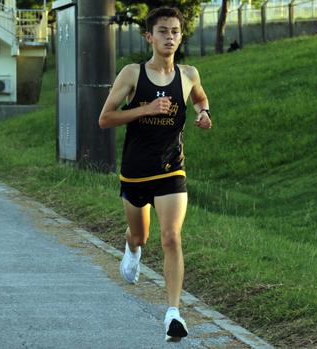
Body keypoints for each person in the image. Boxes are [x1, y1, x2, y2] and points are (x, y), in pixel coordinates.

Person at [98, 7, 212, 343]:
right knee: (141, 238)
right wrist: (146, 109)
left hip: (171, 170)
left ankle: (173, 314)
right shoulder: (132, 74)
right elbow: (105, 118)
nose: (170, 37)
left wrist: (203, 113)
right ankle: (132, 249)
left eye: (175, 31)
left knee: (172, 237)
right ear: (149, 36)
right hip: (135, 172)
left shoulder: (189, 73)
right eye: (163, 31)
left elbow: (200, 97)